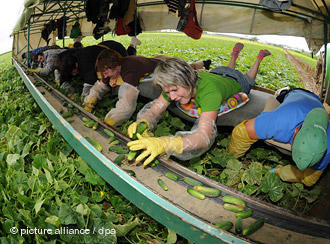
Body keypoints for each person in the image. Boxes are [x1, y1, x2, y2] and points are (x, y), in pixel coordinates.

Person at [126, 43, 271, 166]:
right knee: (229, 68)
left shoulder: (210, 94)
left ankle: (259, 58)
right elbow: (155, 108)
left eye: (174, 91)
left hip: (238, 81)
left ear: (188, 80)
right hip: (218, 72)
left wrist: (168, 144)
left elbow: (204, 137)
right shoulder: (173, 85)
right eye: (167, 92)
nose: (172, 97)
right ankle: (234, 55)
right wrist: (143, 121)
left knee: (249, 79)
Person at [228, 88, 329, 186]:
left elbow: (309, 179)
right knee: (278, 99)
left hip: (315, 102)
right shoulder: (281, 121)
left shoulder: (327, 151)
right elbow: (241, 132)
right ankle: (283, 91)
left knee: (307, 179)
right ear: (296, 130)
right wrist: (233, 159)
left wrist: (279, 171)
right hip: (297, 93)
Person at [83, 49, 212, 126]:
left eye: (106, 73)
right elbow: (101, 84)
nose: (105, 76)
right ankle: (202, 63)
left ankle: (204, 64)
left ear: (116, 67)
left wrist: (112, 120)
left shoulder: (129, 70)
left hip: (162, 64)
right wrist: (90, 100)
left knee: (188, 68)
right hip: (152, 60)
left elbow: (127, 104)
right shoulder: (111, 70)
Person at [55, 38, 140, 96]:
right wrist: (64, 87)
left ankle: (132, 44)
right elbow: (64, 76)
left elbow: (89, 85)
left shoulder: (85, 64)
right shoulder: (67, 58)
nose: (74, 74)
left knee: (128, 60)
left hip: (116, 49)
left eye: (74, 71)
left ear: (76, 65)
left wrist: (84, 99)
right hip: (100, 48)